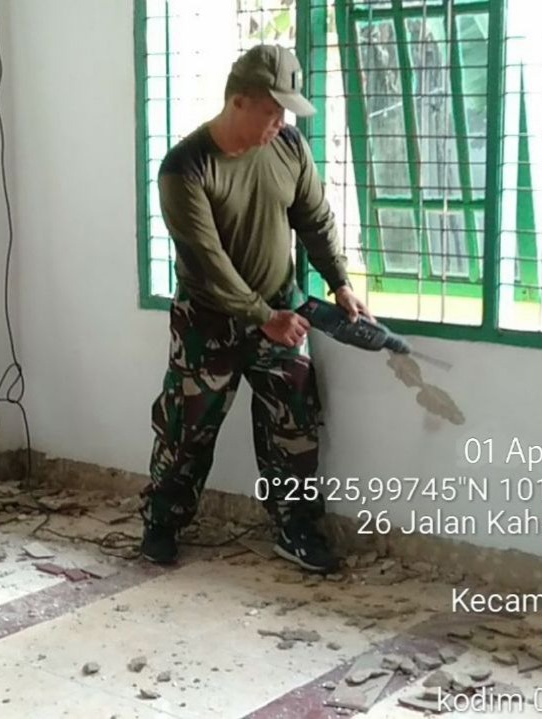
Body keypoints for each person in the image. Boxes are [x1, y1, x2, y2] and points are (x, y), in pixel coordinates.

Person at [139, 45, 372, 574]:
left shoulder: (288, 146)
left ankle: (296, 528)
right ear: (238, 102)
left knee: (294, 427)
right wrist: (263, 317)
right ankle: (162, 523)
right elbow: (208, 264)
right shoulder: (186, 167)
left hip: (281, 313)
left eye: (285, 112)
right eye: (272, 111)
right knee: (186, 430)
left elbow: (314, 218)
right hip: (208, 322)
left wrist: (339, 283)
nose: (280, 122)